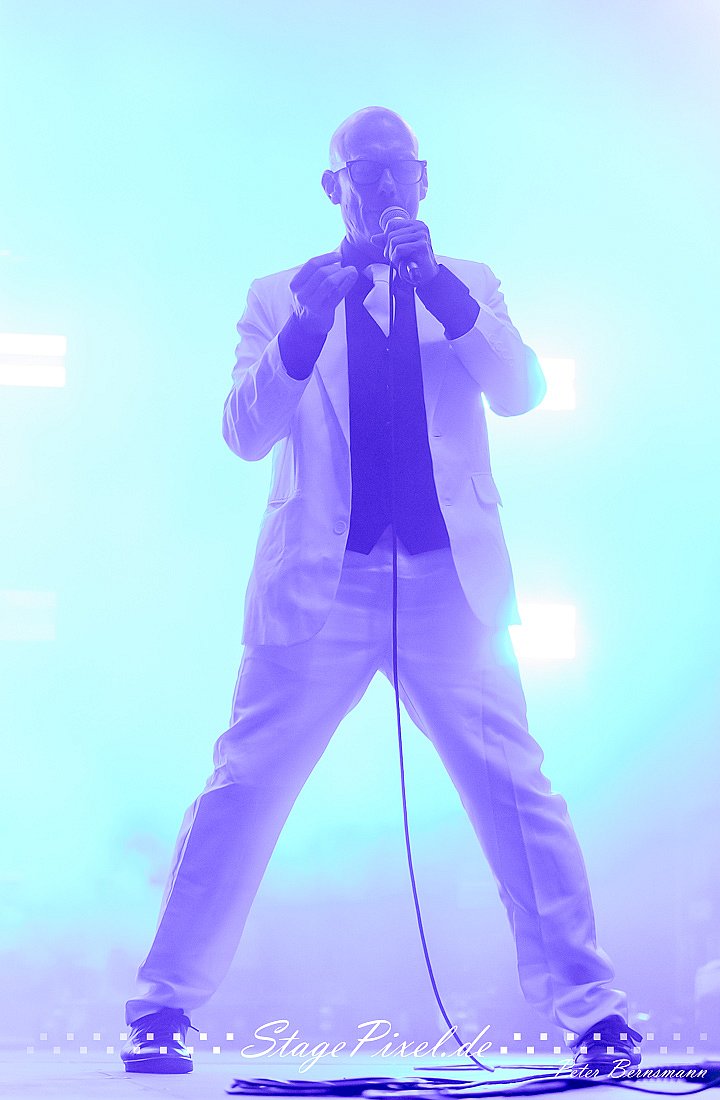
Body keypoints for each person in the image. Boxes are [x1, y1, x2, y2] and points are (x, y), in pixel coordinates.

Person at [121, 106, 642, 1076]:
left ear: (425, 179)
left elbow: (521, 390)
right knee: (242, 789)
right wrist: (304, 327)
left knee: (517, 792)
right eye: (367, 172)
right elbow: (242, 432)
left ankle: (595, 1012)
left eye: (402, 168)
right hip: (321, 586)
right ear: (335, 189)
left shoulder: (469, 282)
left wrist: (439, 285)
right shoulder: (278, 295)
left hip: (450, 588)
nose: (388, 185)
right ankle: (161, 1005)